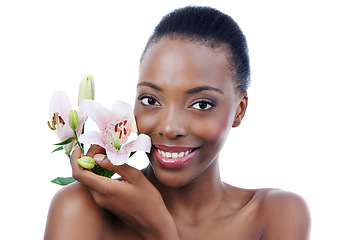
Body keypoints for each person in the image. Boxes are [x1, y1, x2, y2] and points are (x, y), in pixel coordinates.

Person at [44, 6, 310, 240]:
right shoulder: (78, 208)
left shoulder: (276, 214)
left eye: (201, 104)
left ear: (239, 110)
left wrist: (158, 228)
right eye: (150, 100)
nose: (170, 128)